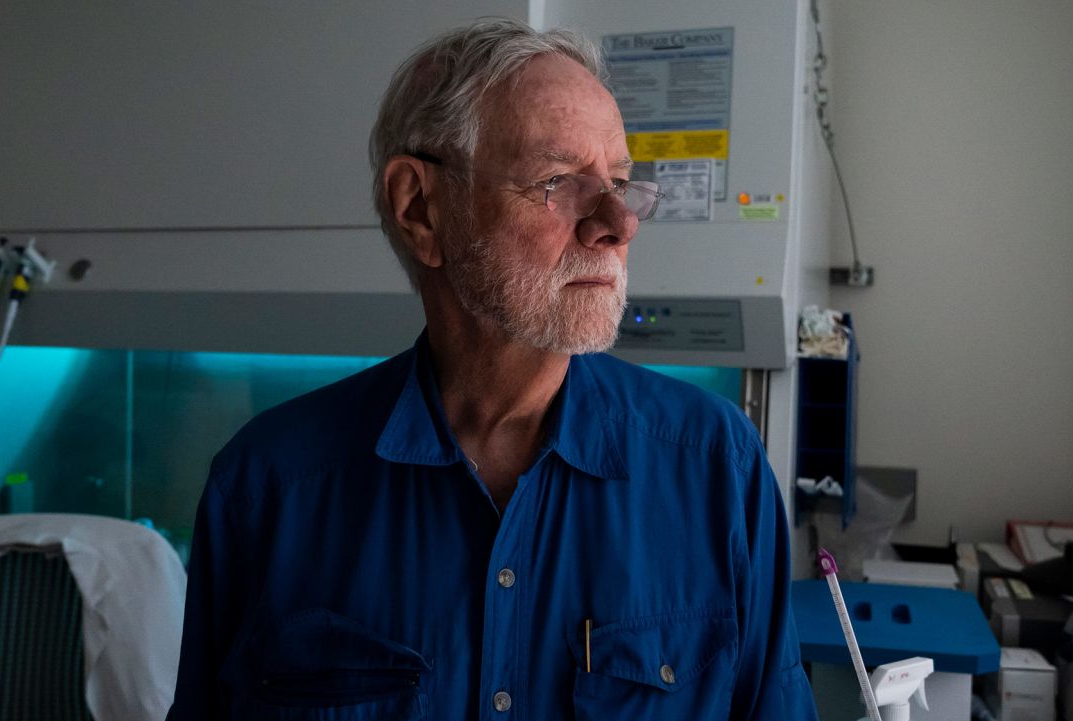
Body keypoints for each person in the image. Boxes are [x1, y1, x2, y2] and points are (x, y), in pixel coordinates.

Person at [167, 17, 816, 720]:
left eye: (621, 182)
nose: (617, 223)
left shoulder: (716, 468)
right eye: (559, 180)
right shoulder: (268, 489)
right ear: (421, 208)